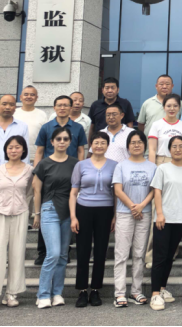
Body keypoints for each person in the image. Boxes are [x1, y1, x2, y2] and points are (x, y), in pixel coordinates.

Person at [0, 135, 33, 311]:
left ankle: (12, 293)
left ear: (23, 150)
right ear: (5, 150)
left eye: (17, 147)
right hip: (0, 213)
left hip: (20, 213)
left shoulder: (29, 170)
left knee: (17, 253)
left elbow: (29, 192)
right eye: (10, 147)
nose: (13, 150)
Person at [33, 126, 79, 310]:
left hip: (69, 211)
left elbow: (77, 189)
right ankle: (43, 294)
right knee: (52, 253)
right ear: (51, 142)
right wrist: (37, 214)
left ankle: (57, 293)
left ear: (70, 142)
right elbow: (37, 191)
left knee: (62, 255)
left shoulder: (75, 163)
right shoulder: (44, 164)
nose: (62, 142)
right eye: (58, 139)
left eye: (65, 139)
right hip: (50, 209)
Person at [70, 132, 118, 309]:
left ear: (107, 146)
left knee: (100, 251)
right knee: (82, 250)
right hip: (84, 209)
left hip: (105, 211)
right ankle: (82, 290)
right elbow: (73, 192)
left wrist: (114, 215)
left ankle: (96, 289)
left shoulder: (114, 165)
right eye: (96, 142)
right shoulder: (81, 165)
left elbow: (115, 193)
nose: (99, 146)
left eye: (103, 143)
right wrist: (73, 216)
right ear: (91, 145)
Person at [149, 136, 182, 311]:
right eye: (174, 146)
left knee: (169, 256)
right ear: (169, 149)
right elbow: (157, 192)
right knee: (159, 256)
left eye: (181, 146)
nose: (177, 149)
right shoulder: (162, 168)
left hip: (180, 219)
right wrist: (159, 213)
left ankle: (162, 288)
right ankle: (154, 294)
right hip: (164, 218)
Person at [112, 130, 156, 308]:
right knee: (122, 254)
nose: (136, 145)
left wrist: (141, 206)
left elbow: (154, 190)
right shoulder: (121, 166)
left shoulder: (152, 167)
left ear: (145, 145)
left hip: (144, 213)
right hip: (125, 213)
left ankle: (136, 291)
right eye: (133, 142)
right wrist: (132, 206)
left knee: (139, 254)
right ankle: (119, 293)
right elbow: (117, 190)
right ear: (128, 146)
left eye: (139, 142)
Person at [35, 95, 88, 166]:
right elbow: (39, 152)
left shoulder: (78, 127)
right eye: (59, 105)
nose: (62, 108)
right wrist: (36, 170)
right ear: (54, 108)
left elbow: (80, 151)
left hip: (71, 167)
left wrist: (80, 168)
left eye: (65, 105)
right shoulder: (46, 127)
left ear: (71, 108)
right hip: (49, 167)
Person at [0, 95, 30, 166]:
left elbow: (25, 150)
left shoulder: (22, 126)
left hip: (15, 168)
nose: (7, 107)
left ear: (15, 108)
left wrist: (25, 168)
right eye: (4, 104)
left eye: (11, 105)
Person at [148, 94, 182, 166]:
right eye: (168, 106)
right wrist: (151, 168)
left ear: (179, 107)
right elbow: (152, 150)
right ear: (164, 107)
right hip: (162, 162)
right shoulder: (156, 125)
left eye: (175, 106)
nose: (172, 109)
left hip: (180, 163)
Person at [15, 86, 49, 164]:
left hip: (35, 158)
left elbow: (46, 137)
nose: (29, 97)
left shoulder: (42, 114)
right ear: (20, 97)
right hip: (15, 157)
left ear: (36, 98)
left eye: (32, 95)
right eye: (26, 94)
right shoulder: (14, 113)